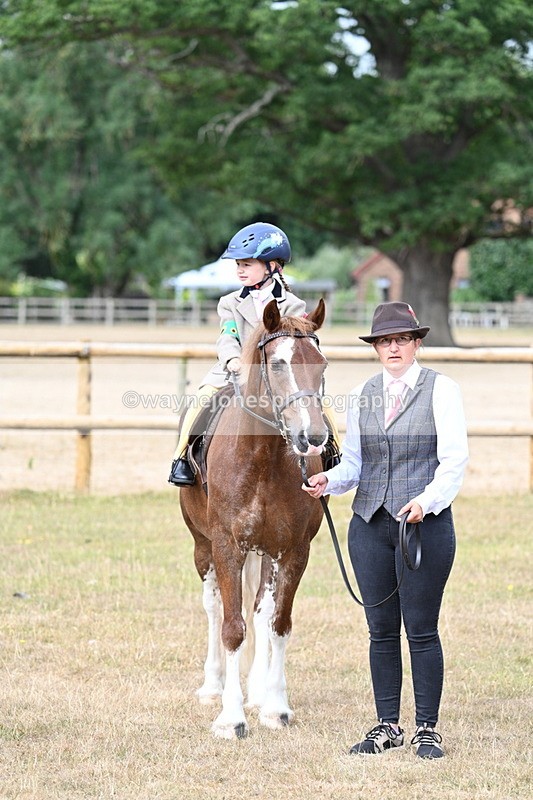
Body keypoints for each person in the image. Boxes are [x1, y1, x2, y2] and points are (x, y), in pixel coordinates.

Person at [302, 301, 468, 759]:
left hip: (423, 527)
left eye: (402, 339)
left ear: (416, 343)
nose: (393, 347)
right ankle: (387, 725)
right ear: (376, 348)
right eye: (384, 341)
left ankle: (428, 727)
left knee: (420, 629)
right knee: (379, 630)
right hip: (370, 524)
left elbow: (454, 463)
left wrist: (426, 502)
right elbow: (355, 463)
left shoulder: (442, 390)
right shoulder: (360, 395)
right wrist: (328, 481)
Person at [168, 221, 338, 486]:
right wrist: (233, 360)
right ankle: (182, 459)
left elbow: (297, 347)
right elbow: (228, 335)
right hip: (234, 370)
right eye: (238, 264)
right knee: (199, 401)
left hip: (280, 372)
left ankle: (333, 456)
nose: (240, 270)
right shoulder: (229, 303)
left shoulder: (293, 305)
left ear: (273, 266)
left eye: (247, 264)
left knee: (322, 406)